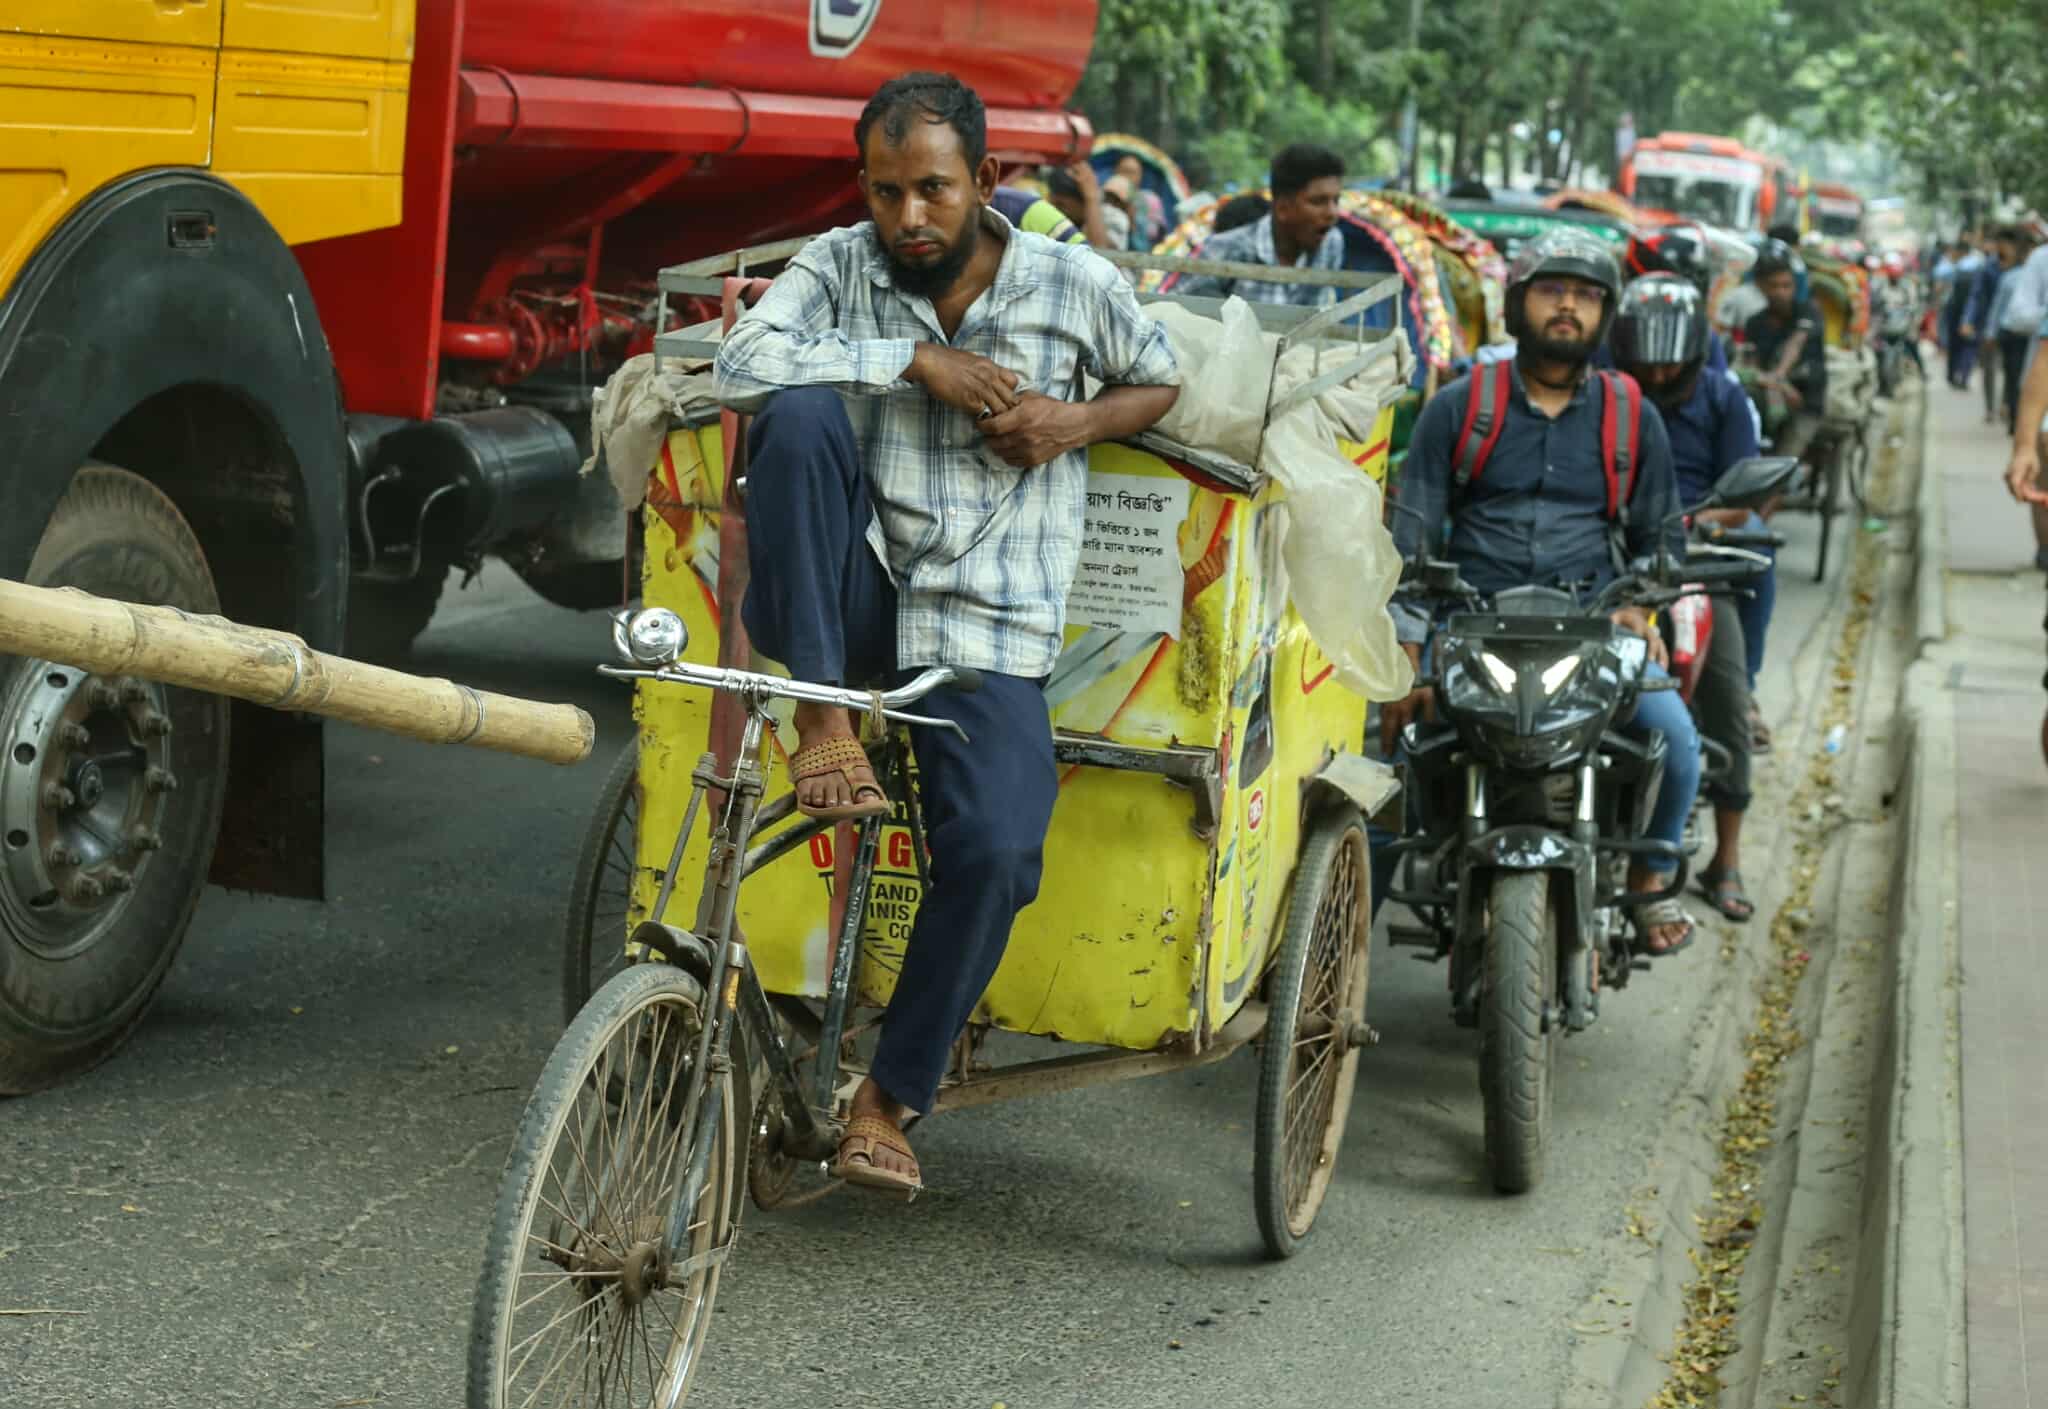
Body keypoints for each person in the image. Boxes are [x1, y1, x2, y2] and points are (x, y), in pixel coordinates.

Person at [712, 71, 1181, 1195]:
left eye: (931, 189)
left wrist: (1073, 422)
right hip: (846, 608)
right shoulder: (838, 264)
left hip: (983, 633)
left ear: (984, 181)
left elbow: (1158, 378)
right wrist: (911, 359)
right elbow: (734, 363)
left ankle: (888, 1096)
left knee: (998, 853)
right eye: (886, 192)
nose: (907, 218)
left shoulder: (1071, 281)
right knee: (798, 412)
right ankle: (822, 723)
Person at [1380, 230, 1700, 957]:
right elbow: (1410, 534)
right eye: (1553, 290)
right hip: (1470, 622)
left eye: (1587, 296)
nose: (1569, 307)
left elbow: (1661, 535)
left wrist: (1639, 605)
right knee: (1390, 762)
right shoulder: (1459, 407)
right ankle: (1333, 942)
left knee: (1677, 745)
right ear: (1516, 303)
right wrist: (1406, 637)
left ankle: (1650, 882)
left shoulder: (1631, 415)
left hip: (1593, 620)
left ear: (1605, 316)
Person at [1612, 274, 1763, 920]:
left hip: (1693, 560)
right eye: (1647, 353)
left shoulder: (1725, 400)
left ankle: (1725, 859)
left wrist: (1698, 523)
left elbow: (1745, 500)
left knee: (1728, 697)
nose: (1660, 366)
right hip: (1614, 563)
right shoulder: (1607, 397)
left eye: (1672, 355)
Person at [1172, 143, 1346, 307]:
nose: (1332, 213)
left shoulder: (1331, 243)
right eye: (1318, 202)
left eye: (1336, 200)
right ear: (1282, 208)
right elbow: (1180, 313)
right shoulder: (1225, 249)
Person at [1740, 243, 1827, 466]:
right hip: (1772, 398)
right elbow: (1751, 364)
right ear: (1760, 286)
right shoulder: (1755, 322)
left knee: (1781, 468)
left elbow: (1796, 344)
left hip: (1806, 403)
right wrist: (1775, 383)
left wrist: (1778, 377)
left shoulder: (1808, 313)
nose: (1780, 292)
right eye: (1773, 286)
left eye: (1786, 285)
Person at [1037, 162, 1116, 250]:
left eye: (1061, 204)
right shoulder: (1045, 210)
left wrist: (1091, 199)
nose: (1054, 208)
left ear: (1083, 202)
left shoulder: (1112, 216)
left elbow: (1100, 251)